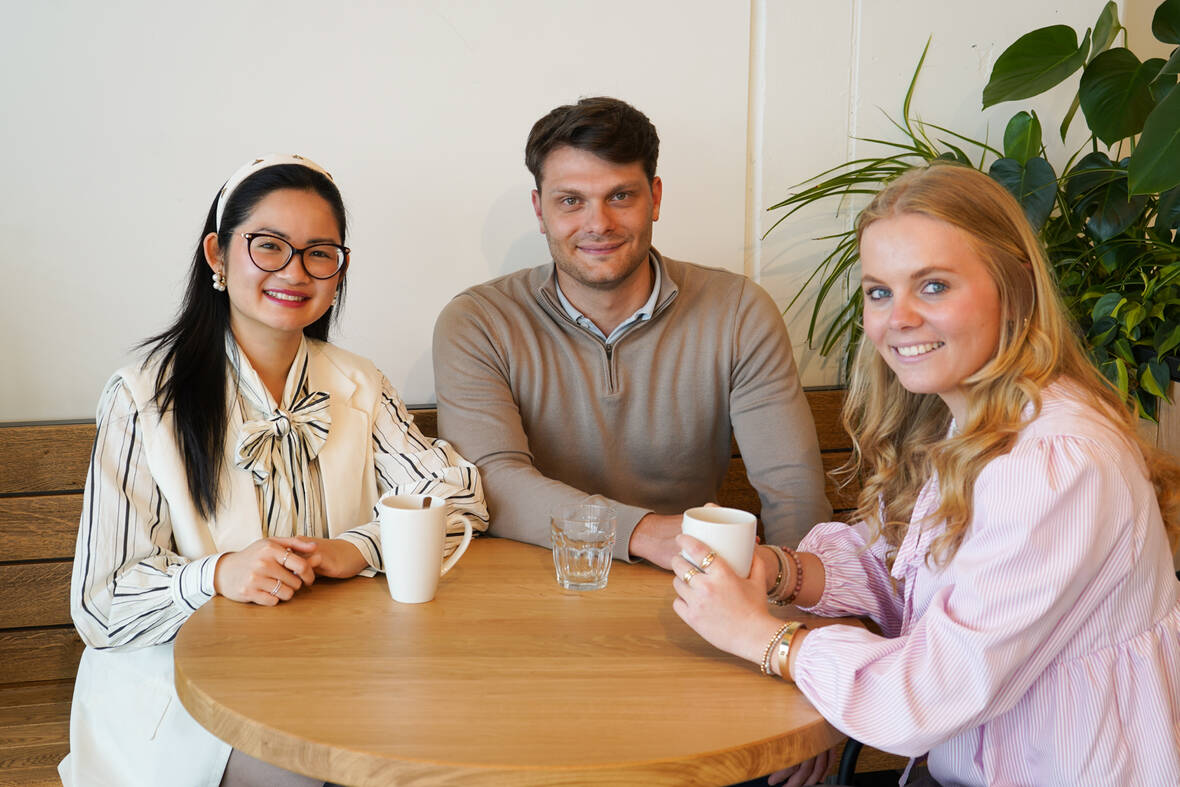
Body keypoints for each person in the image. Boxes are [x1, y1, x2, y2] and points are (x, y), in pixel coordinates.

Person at [671, 162, 1180, 786]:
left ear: (1015, 286)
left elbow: (926, 695)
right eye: (879, 291)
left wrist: (762, 637)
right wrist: (780, 572)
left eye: (933, 286)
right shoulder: (970, 421)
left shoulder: (1053, 464)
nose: (898, 318)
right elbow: (900, 575)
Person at [59, 154, 488, 787]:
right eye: (269, 247)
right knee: (314, 771)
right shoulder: (144, 396)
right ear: (217, 255)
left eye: (320, 253)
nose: (295, 271)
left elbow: (460, 500)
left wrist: (358, 549)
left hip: (340, 665)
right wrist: (219, 575)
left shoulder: (358, 383)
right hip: (182, 687)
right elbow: (101, 603)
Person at [433, 97, 830, 569]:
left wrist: (791, 603)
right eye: (571, 201)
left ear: (655, 198)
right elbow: (491, 481)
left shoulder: (739, 310)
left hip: (687, 578)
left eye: (620, 196)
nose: (598, 224)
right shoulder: (478, 321)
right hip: (532, 581)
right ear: (539, 210)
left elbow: (793, 490)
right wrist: (639, 530)